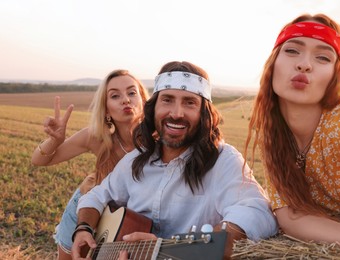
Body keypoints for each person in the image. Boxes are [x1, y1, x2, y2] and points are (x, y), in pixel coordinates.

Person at [71, 61, 278, 259]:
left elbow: (256, 211)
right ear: (153, 109)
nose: (177, 113)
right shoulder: (135, 160)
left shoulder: (223, 160)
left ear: (204, 113)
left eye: (189, 103)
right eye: (167, 100)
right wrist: (84, 228)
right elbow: (96, 196)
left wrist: (184, 250)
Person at [244, 13, 340, 256]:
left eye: (323, 57)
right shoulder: (274, 132)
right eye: (292, 51)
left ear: (335, 75)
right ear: (273, 63)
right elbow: (291, 216)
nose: (304, 64)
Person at [31, 69, 149, 259]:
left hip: (129, 218)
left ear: (143, 99)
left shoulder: (158, 139)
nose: (126, 99)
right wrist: (55, 140)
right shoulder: (96, 137)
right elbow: (39, 160)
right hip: (86, 210)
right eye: (115, 96)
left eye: (132, 92)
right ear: (106, 108)